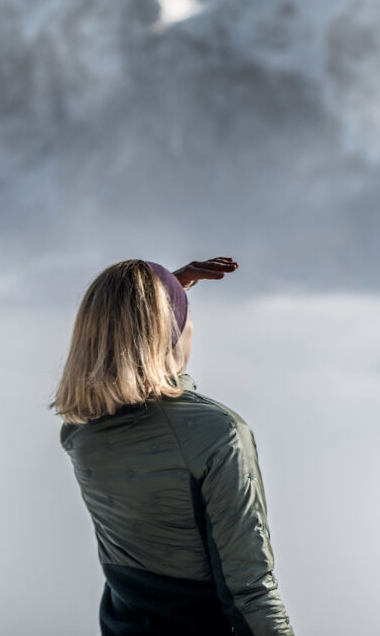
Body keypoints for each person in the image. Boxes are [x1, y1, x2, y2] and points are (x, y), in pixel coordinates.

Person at [52, 256, 295, 636]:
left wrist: (161, 288)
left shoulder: (80, 429)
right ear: (168, 333)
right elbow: (249, 591)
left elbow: (116, 345)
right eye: (186, 316)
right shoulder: (218, 435)